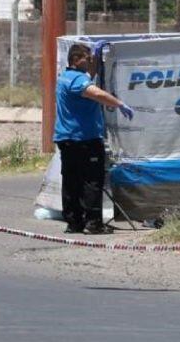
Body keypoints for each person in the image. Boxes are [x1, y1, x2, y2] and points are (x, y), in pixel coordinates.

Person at [54, 43, 135, 234]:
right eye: (87, 58)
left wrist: (96, 60)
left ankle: (74, 222)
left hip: (67, 139)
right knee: (91, 181)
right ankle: (93, 223)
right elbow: (95, 92)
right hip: (85, 140)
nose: (90, 61)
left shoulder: (66, 77)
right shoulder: (76, 81)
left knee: (71, 181)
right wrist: (119, 104)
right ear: (75, 60)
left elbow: (88, 78)